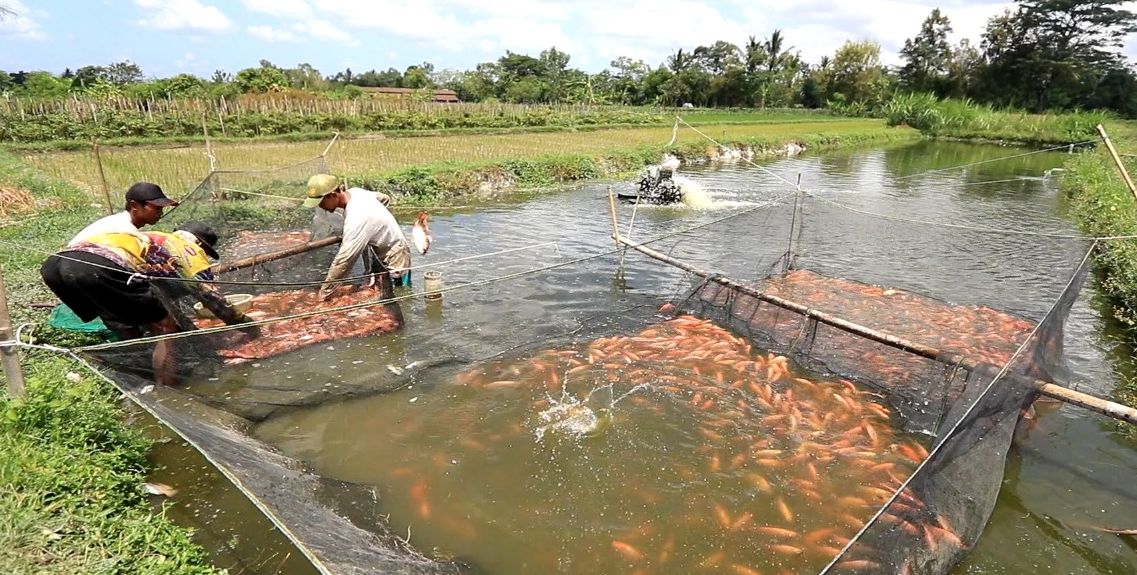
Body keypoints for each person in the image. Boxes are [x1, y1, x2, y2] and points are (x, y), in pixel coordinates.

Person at [40, 221, 257, 385]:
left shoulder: (153, 238)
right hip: (98, 268)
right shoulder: (187, 249)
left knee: (126, 326)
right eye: (207, 251)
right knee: (165, 329)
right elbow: (209, 297)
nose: (205, 256)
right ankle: (167, 390)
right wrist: (247, 326)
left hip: (56, 266)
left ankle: (139, 381)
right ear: (199, 243)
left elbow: (156, 290)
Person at [301, 174, 413, 302]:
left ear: (333, 195)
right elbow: (384, 198)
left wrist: (324, 294)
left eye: (321, 202)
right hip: (379, 250)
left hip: (395, 256)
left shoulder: (357, 217)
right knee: (378, 289)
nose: (320, 207)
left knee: (399, 296)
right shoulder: (356, 192)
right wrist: (378, 223)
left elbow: (344, 261)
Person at [68, 182, 179, 247]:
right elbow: (146, 243)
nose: (160, 212)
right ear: (134, 206)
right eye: (156, 208)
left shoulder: (117, 222)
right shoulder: (123, 226)